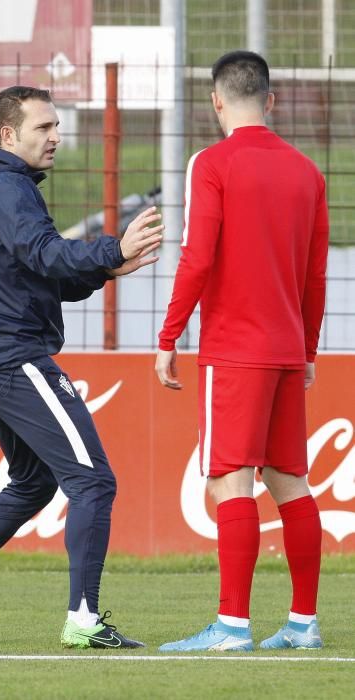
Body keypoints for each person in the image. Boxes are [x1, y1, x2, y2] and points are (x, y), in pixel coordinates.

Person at [0, 85, 163, 650]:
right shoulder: (6, 189)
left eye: (56, 127)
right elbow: (48, 254)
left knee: (33, 483)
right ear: (8, 135)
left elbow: (39, 273)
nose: (56, 137)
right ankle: (83, 620)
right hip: (10, 357)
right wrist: (110, 250)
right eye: (43, 128)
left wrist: (104, 268)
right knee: (93, 480)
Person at [155, 51, 328, 652]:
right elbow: (315, 275)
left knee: (229, 481)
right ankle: (303, 624)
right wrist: (306, 349)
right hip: (285, 349)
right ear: (271, 101)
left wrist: (169, 335)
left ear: (217, 102)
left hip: (233, 350)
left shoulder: (211, 163)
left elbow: (196, 257)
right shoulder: (308, 172)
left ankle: (232, 627)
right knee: (290, 483)